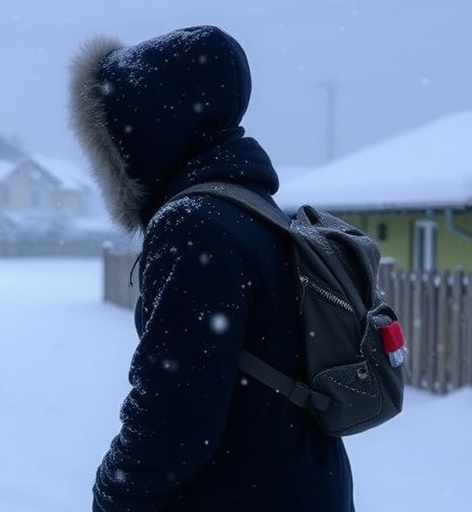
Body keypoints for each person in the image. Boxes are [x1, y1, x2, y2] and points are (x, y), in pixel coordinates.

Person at [69, 26, 354, 511]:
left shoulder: (192, 226)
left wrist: (113, 495)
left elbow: (174, 415)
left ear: (148, 131)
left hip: (242, 491)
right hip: (297, 481)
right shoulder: (252, 209)